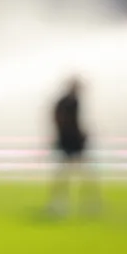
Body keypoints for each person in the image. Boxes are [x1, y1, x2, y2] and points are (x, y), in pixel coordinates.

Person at [47, 77, 102, 217]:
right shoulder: (69, 102)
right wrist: (78, 136)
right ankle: (67, 205)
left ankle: (84, 205)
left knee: (70, 175)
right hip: (71, 143)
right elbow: (65, 122)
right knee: (72, 175)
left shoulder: (69, 102)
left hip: (71, 142)